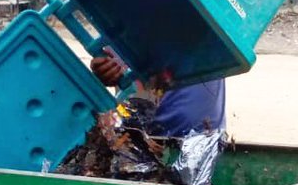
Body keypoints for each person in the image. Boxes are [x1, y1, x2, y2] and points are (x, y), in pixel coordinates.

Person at [89, 52, 226, 136]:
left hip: (200, 133)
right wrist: (106, 70)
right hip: (138, 135)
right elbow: (115, 68)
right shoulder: (123, 17)